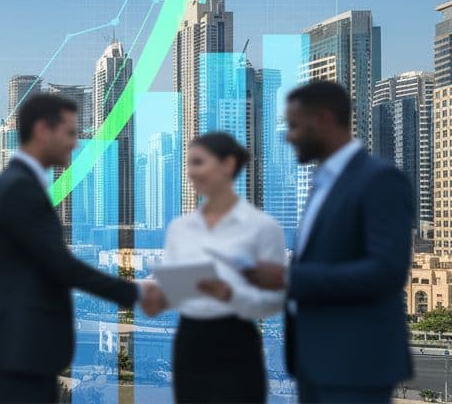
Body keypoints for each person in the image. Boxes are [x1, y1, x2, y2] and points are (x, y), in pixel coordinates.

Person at [0, 93, 164, 404]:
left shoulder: (19, 185)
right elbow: (60, 266)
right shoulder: (19, 189)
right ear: (42, 130)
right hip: (19, 353)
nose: (75, 143)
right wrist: (134, 293)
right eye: (69, 133)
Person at [241, 81, 414, 403]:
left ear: (322, 119)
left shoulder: (379, 180)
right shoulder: (323, 184)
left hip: (355, 365)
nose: (288, 136)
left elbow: (386, 271)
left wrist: (288, 278)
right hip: (314, 363)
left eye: (294, 126)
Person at [158, 132, 285, 403]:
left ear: (227, 165)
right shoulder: (179, 229)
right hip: (189, 340)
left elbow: (274, 301)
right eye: (189, 164)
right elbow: (172, 291)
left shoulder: (262, 227)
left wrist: (230, 295)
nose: (191, 172)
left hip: (236, 340)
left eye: (198, 162)